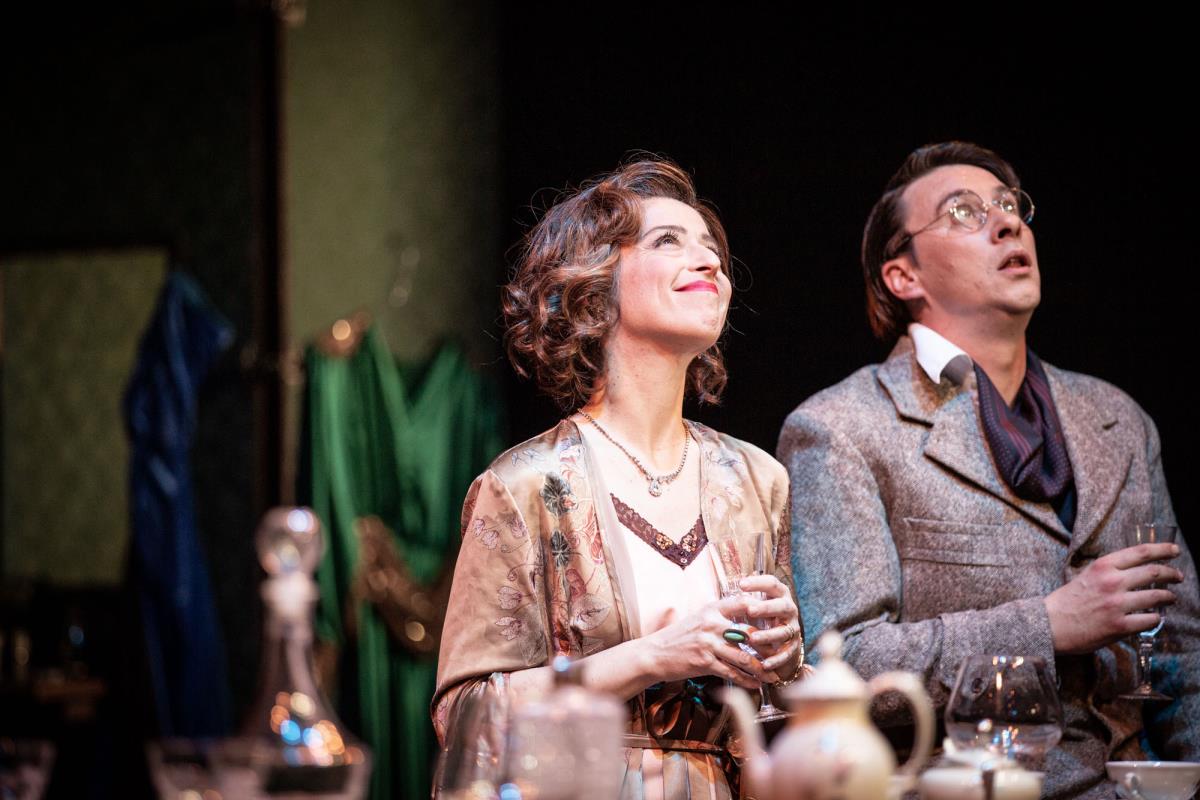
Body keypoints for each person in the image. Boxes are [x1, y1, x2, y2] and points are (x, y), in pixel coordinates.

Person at [777, 141, 1200, 799]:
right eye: (963, 212)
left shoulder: (1117, 419)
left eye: (1010, 206)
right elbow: (847, 663)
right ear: (904, 277)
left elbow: (1180, 648)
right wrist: (1047, 625)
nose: (1006, 223)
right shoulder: (842, 427)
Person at [433, 157, 804, 800]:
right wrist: (654, 655)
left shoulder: (756, 479)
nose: (710, 262)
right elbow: (466, 717)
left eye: (712, 249)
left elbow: (776, 711)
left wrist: (787, 663)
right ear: (593, 289)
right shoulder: (527, 485)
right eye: (668, 241)